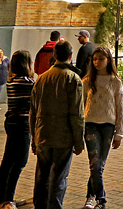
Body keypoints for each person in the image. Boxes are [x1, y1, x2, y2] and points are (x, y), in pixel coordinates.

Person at [29, 41, 84, 209]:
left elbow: (33, 111)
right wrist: (79, 141)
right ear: (71, 55)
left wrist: (33, 138)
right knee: (59, 177)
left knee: (42, 176)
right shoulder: (73, 79)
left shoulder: (41, 79)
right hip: (63, 136)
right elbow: (77, 114)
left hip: (42, 133)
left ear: (54, 55)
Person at [82, 46, 123, 209]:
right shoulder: (87, 81)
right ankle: (101, 199)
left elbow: (120, 107)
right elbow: (80, 105)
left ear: (108, 60)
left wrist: (120, 133)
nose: (97, 62)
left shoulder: (115, 81)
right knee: (94, 164)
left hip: (108, 126)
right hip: (90, 124)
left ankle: (91, 197)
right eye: (94, 59)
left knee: (99, 165)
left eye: (101, 59)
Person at [0, 50, 36, 209]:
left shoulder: (11, 81)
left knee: (8, 160)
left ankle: (3, 199)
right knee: (19, 161)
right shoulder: (29, 82)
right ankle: (8, 200)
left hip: (11, 121)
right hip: (22, 123)